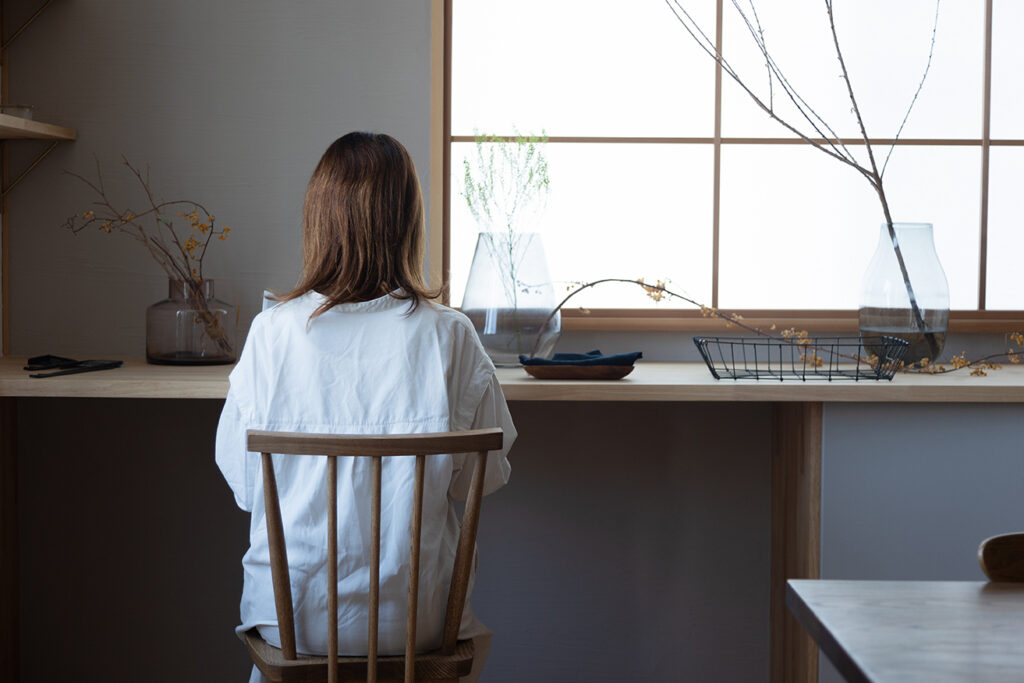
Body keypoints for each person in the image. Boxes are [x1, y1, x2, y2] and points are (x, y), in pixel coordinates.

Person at [215, 132, 516, 683]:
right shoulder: (450, 336)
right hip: (417, 622)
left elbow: (248, 488)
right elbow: (481, 478)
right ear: (409, 223)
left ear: (318, 221)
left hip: (293, 620)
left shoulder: (271, 334)